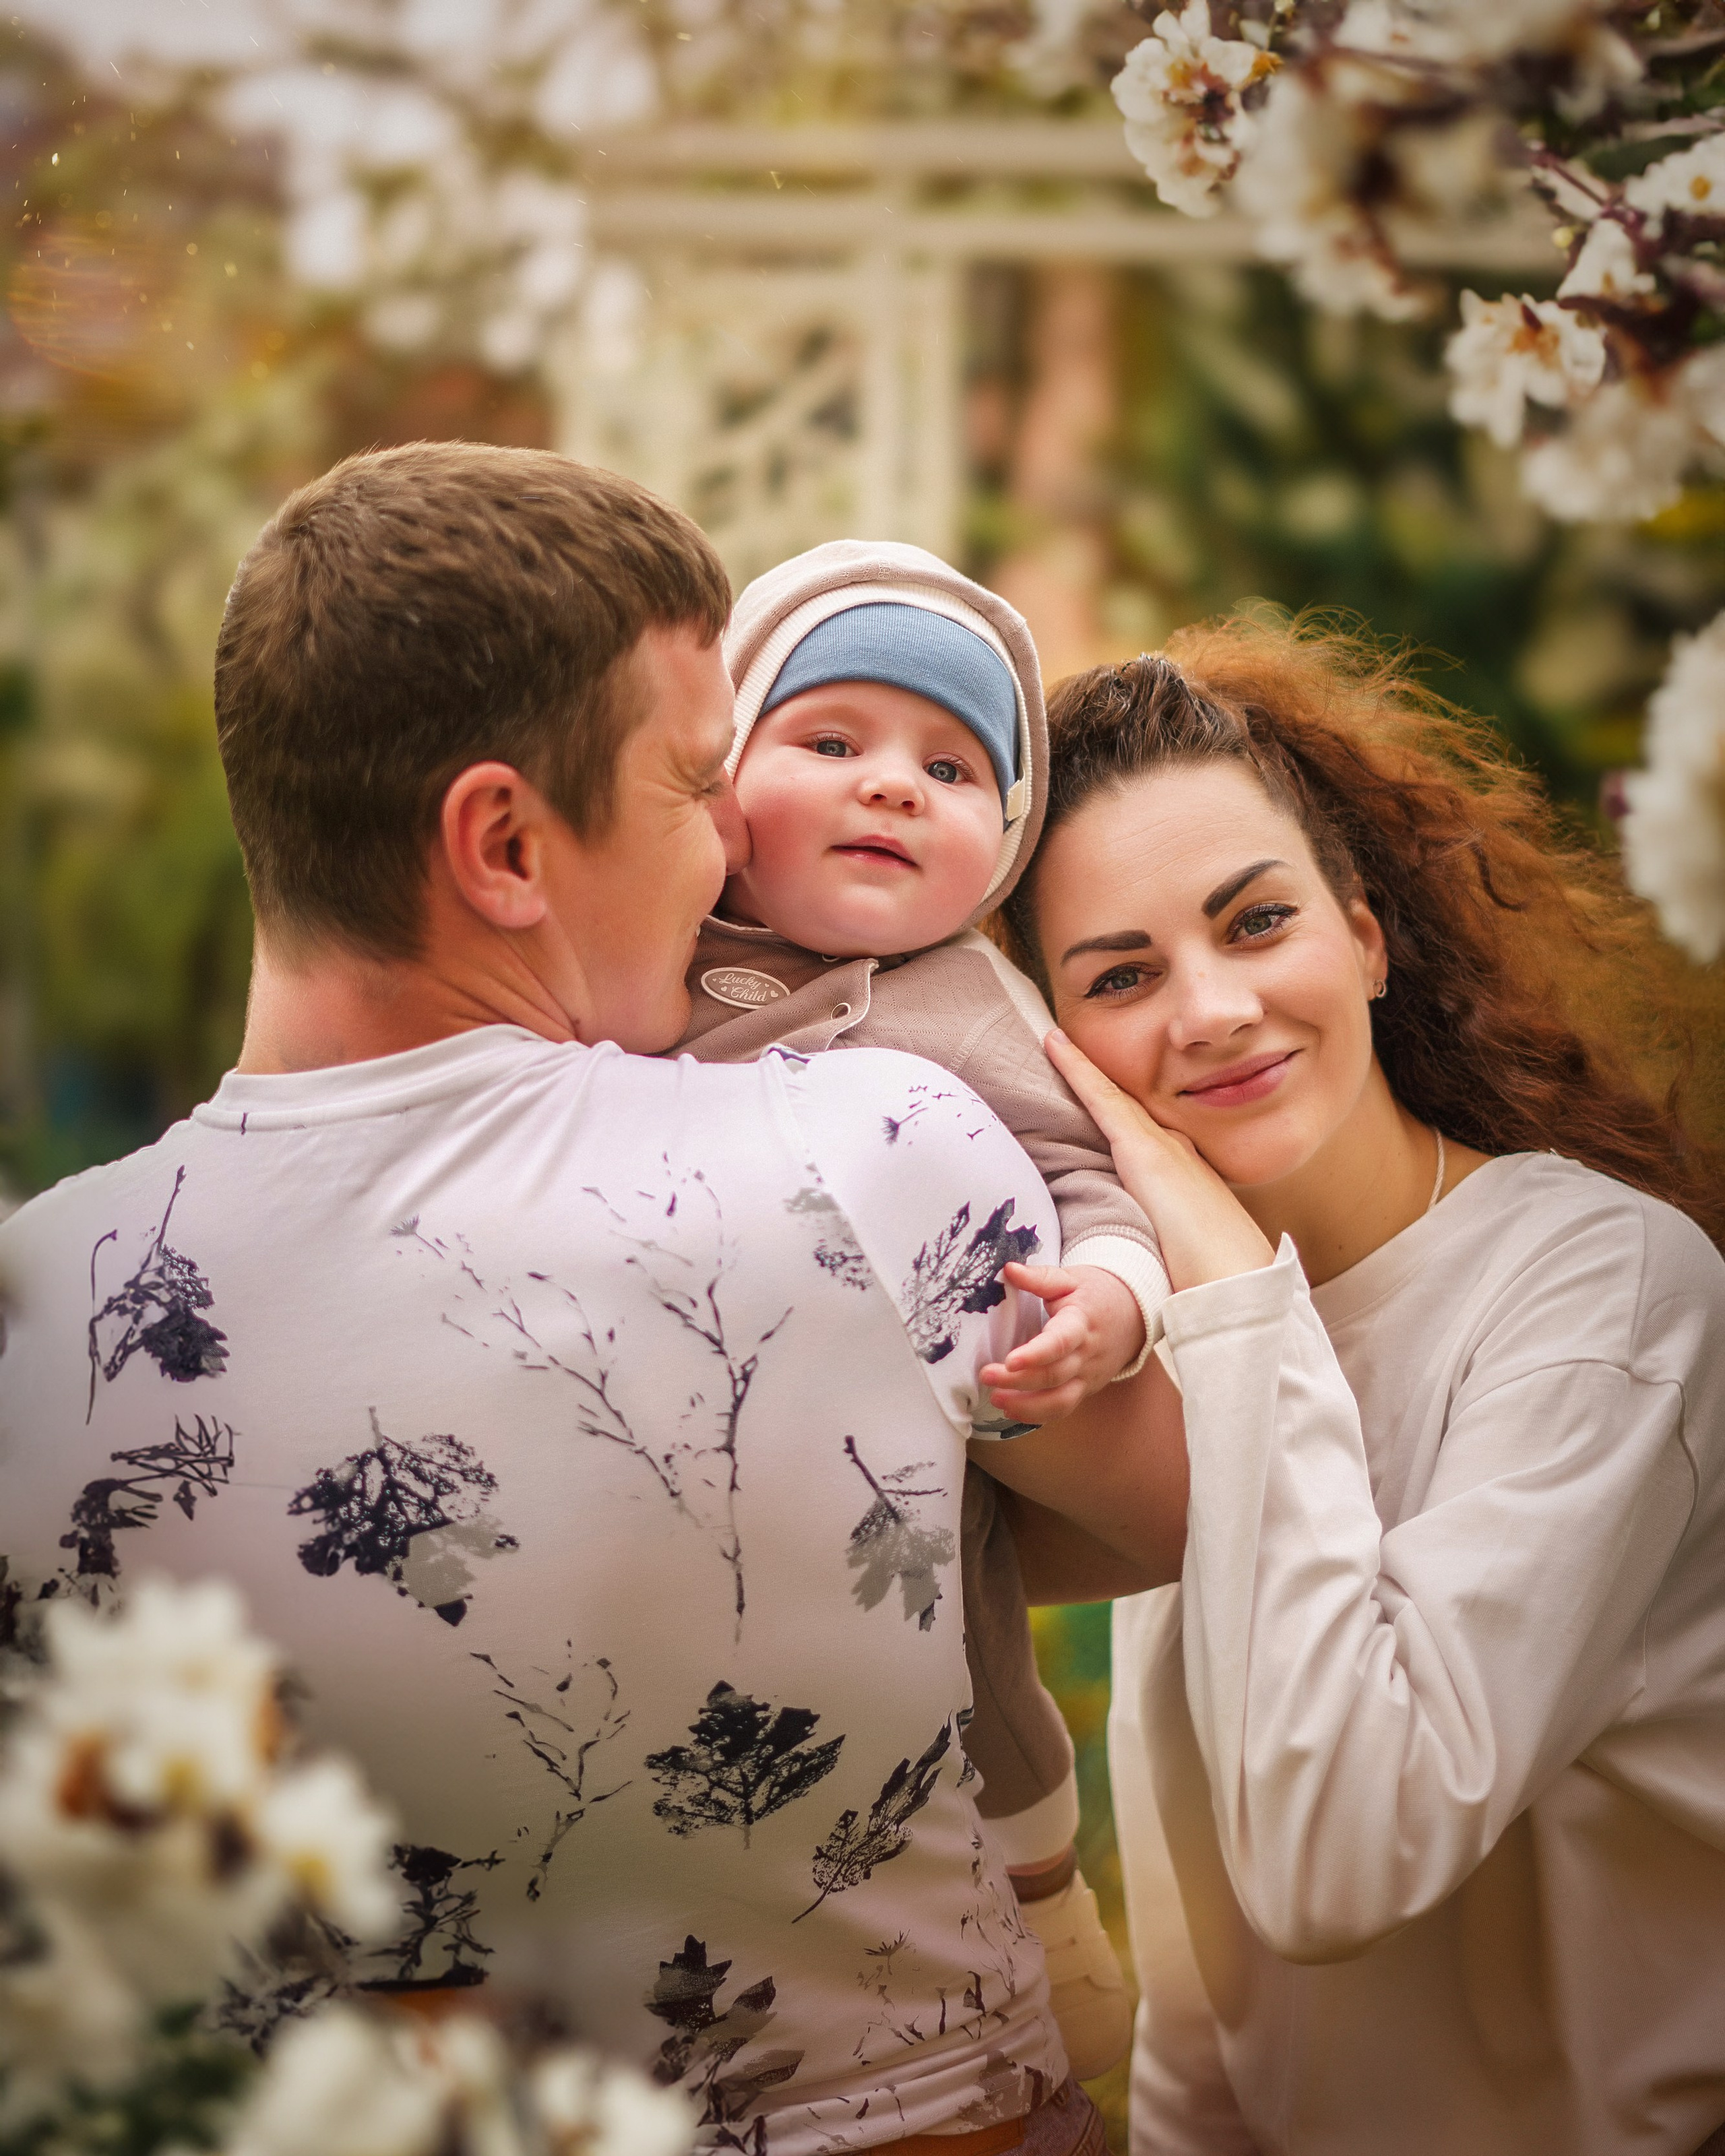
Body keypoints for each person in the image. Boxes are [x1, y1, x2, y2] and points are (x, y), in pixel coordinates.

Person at [0, 445, 1185, 2156]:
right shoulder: (866, 1149)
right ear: (501, 844)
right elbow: (1183, 1507)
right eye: (698, 782)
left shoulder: (51, 1316)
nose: (733, 843)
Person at [986, 620, 1725, 2155]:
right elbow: (1216, 2004)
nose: (1207, 1011)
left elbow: (1335, 1864)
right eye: (1121, 974)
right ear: (1059, 1051)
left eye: (1253, 923)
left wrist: (1220, 1283)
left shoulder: (1604, 1297)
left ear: (1366, 936)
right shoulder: (1188, 1336)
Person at [675, 538, 1171, 2076]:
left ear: (1005, 839)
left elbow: (1092, 1181)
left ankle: (1054, 1928)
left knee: (980, 1701)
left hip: (909, 1497)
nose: (892, 784)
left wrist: (1108, 1297)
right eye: (830, 743)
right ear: (719, 774)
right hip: (680, 1471)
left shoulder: (967, 1003)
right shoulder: (653, 953)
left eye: (952, 768)